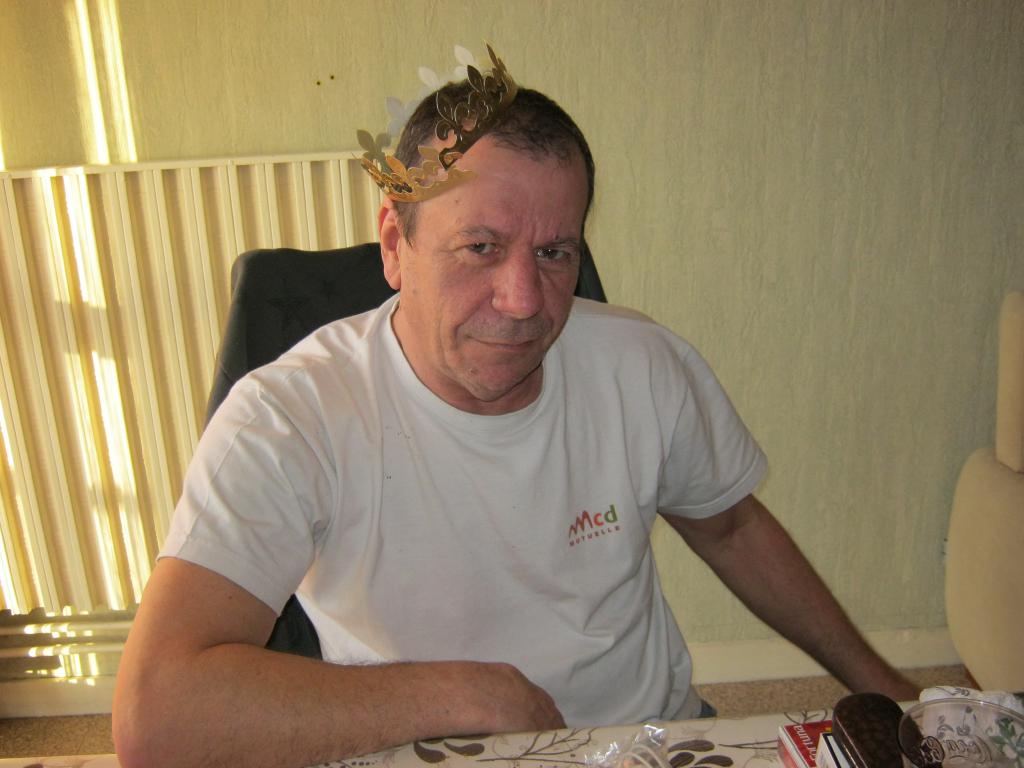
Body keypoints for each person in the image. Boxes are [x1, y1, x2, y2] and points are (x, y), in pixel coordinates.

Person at [113, 59, 918, 768]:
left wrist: (895, 695)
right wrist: (467, 694)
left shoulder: (643, 365)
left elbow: (732, 528)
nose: (525, 301)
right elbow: (158, 719)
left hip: (644, 740)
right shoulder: (288, 418)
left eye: (555, 252)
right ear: (395, 242)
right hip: (418, 748)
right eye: (482, 247)